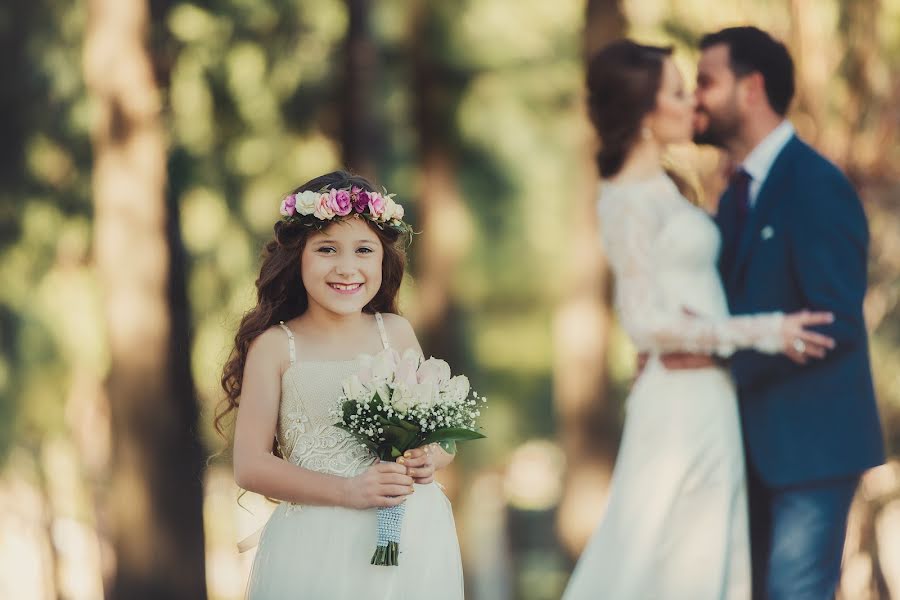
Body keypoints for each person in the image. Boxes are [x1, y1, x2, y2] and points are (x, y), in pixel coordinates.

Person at [561, 40, 835, 599]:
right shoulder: (624, 202)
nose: (693, 106)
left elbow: (683, 297)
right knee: (663, 560)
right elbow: (644, 323)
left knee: (708, 562)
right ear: (644, 112)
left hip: (710, 395)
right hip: (678, 405)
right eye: (680, 93)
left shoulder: (670, 188)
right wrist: (767, 329)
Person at [688, 27, 884, 599]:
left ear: (751, 89)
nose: (695, 96)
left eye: (706, 81)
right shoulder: (734, 194)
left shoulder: (816, 185)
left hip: (812, 447)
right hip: (746, 445)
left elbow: (837, 321)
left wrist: (727, 358)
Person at [216, 171, 464, 599]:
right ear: (297, 258)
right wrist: (349, 491)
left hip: (410, 533)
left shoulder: (396, 332)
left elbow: (436, 436)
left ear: (382, 260)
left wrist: (431, 457)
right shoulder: (277, 347)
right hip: (318, 540)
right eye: (327, 249)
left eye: (364, 250)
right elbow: (250, 466)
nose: (347, 267)